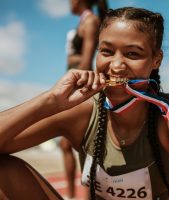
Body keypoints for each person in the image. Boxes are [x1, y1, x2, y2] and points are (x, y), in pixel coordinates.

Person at [0, 7, 169, 200]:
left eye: (133, 54)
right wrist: (49, 101)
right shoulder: (82, 112)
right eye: (106, 51)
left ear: (156, 59)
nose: (116, 66)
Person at [63, 0, 108, 198]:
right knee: (67, 144)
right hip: (75, 84)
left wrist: (74, 90)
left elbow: (87, 60)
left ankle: (81, 195)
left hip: (81, 86)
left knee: (79, 144)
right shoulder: (83, 22)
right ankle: (73, 195)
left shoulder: (90, 21)